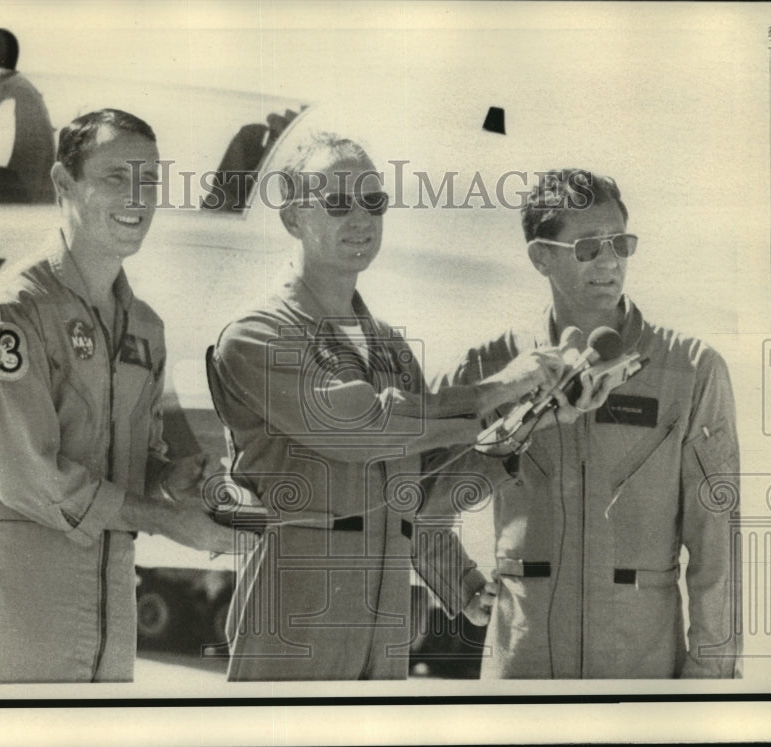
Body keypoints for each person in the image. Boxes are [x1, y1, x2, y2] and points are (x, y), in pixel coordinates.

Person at [206, 132, 579, 681]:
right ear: (292, 218)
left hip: (384, 636)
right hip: (291, 627)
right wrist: (498, 387)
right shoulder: (256, 336)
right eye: (338, 203)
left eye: (373, 201)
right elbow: (364, 427)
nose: (361, 219)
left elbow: (419, 492)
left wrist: (535, 415)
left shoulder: (391, 350)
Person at [0, 109, 233, 683]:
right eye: (115, 177)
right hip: (26, 623)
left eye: (149, 180)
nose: (138, 197)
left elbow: (127, 464)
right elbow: (26, 478)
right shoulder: (14, 312)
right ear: (64, 183)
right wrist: (166, 521)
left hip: (112, 626)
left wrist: (169, 477)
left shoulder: (144, 328)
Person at [437, 168, 742, 678]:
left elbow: (718, 543)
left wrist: (708, 676)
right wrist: (456, 581)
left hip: (642, 675)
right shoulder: (492, 367)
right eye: (588, 247)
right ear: (541, 256)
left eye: (620, 244)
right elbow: (407, 482)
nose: (609, 261)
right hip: (523, 673)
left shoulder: (691, 370)